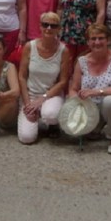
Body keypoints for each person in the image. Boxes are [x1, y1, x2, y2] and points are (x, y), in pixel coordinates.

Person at [68, 24, 111, 155]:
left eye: (101, 38)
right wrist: (76, 103)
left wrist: (95, 92)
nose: (97, 42)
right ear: (88, 42)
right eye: (93, 39)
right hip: (92, 106)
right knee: (85, 133)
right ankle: (98, 124)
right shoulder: (81, 61)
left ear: (108, 40)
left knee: (109, 102)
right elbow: (73, 89)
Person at [17, 12, 71, 144]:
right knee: (27, 138)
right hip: (30, 95)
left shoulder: (64, 50)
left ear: (59, 29)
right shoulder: (29, 46)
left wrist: (42, 99)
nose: (49, 28)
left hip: (51, 95)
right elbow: (22, 76)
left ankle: (52, 123)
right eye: (45, 25)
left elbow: (63, 81)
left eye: (53, 26)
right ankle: (33, 115)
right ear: (40, 27)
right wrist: (28, 104)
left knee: (51, 115)